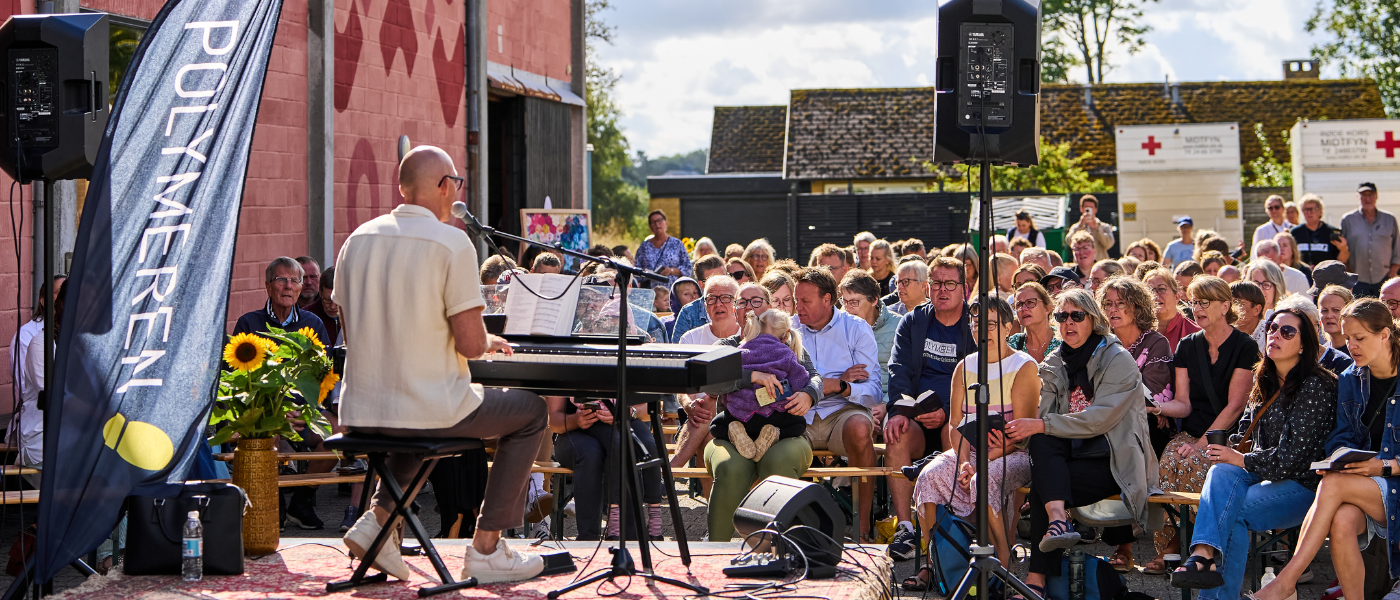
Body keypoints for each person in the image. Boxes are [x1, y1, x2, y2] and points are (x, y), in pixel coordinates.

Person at [335, 145, 545, 582]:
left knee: (421, 412)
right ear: (445, 186)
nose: (457, 191)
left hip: (361, 411)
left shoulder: (357, 238)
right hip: (424, 408)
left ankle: (378, 521)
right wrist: (490, 341)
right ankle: (486, 549)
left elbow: (355, 334)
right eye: (457, 183)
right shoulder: (451, 241)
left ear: (402, 188)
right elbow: (470, 345)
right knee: (531, 412)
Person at [1168, 308, 1338, 598]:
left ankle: (1203, 558)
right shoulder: (1266, 381)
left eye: (1287, 332)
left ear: (1303, 345)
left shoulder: (1317, 385)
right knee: (1221, 471)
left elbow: (1292, 460)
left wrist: (1241, 459)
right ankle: (1204, 556)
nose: (1275, 334)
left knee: (1230, 512)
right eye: (1272, 328)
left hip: (1305, 485)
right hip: (1260, 478)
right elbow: (1244, 436)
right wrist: (1224, 450)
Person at [1004, 288, 1157, 599]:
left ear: (1094, 320)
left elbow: (1099, 420)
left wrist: (1040, 425)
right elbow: (1047, 421)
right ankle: (1058, 522)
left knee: (1044, 485)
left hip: (1114, 461)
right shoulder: (1053, 362)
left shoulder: (1119, 359)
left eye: (1077, 316)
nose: (1068, 323)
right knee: (1042, 443)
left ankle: (1037, 579)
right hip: (1071, 458)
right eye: (1062, 317)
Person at [1251, 298, 1400, 600]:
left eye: (1360, 338)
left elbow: (1385, 465)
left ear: (1385, 334)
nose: (1352, 346)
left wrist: (1384, 466)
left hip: (1390, 479)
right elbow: (1342, 436)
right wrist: (1340, 458)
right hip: (1366, 483)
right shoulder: (1351, 378)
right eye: (1348, 339)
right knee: (1343, 520)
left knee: (1332, 486)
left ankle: (1286, 581)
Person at [903, 297, 1038, 589]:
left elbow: (1022, 435)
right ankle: (934, 561)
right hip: (971, 451)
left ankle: (1002, 563)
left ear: (1007, 326)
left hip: (1011, 452)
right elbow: (955, 422)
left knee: (984, 480)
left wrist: (982, 462)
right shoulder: (965, 367)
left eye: (989, 324)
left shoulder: (1023, 366)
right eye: (976, 324)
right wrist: (965, 461)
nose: (981, 330)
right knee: (929, 475)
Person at [1142, 276, 1260, 575]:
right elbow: (1184, 402)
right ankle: (1171, 545)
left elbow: (1235, 406)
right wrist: (1156, 407)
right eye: (1193, 301)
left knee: (1198, 462)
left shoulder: (1245, 346)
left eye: (1204, 302)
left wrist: (1201, 444)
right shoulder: (1187, 345)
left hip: (1228, 436)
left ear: (1225, 305)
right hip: (1192, 430)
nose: (1197, 308)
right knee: (1167, 461)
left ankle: (1203, 546)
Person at [702, 283, 820, 540]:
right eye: (741, 302)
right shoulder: (728, 345)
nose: (748, 307)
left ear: (768, 308)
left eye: (755, 301)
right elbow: (711, 384)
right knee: (732, 467)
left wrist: (809, 395)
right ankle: (716, 547)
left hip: (783, 432)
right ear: (735, 310)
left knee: (777, 462)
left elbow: (813, 377)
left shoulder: (789, 343)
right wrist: (751, 376)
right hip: (731, 432)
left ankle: (785, 547)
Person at [884, 256, 975, 558]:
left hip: (960, 418)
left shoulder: (973, 324)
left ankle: (958, 529)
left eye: (950, 283)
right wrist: (898, 411)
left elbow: (980, 377)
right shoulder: (914, 321)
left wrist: (949, 412)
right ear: (927, 287)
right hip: (918, 415)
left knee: (959, 433)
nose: (943, 290)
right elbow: (898, 369)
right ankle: (906, 529)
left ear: (965, 287)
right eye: (936, 283)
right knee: (894, 432)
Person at [790, 267, 881, 541]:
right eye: (797, 300)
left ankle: (863, 528)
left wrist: (841, 387)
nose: (798, 307)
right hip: (799, 414)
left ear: (828, 299)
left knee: (860, 429)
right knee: (774, 437)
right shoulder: (788, 329)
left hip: (842, 414)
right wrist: (831, 382)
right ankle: (787, 530)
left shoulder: (855, 329)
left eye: (806, 301)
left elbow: (873, 391)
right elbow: (785, 385)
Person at [1099, 276, 1177, 571]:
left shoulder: (1155, 342)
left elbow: (1153, 391)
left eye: (1122, 303)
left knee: (1124, 447)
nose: (1113, 309)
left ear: (1138, 307)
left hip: (1151, 426)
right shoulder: (1102, 342)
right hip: (1109, 424)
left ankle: (1126, 546)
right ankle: (1122, 545)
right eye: (1108, 304)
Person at [549, 395, 665, 540]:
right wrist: (576, 420)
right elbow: (553, 421)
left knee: (625, 446)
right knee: (591, 453)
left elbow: (654, 407)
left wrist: (629, 412)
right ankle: (588, 538)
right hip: (572, 434)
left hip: (620, 429)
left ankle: (629, 535)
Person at [709, 308, 810, 459]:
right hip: (773, 415)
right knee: (799, 424)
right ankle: (775, 434)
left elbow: (726, 376)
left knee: (716, 426)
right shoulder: (786, 353)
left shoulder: (741, 349)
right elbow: (800, 381)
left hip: (739, 415)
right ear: (785, 336)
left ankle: (737, 433)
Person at [840, 270, 900, 402]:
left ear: (874, 300)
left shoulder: (899, 326)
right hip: (848, 402)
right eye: (844, 302)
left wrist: (886, 404)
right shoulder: (837, 326)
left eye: (854, 302)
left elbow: (904, 376)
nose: (848, 308)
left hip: (887, 401)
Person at [1341, 182, 1400, 298]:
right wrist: (1349, 274)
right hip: (1358, 279)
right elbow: (1342, 248)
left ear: (1376, 196)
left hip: (1384, 278)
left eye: (1371, 194)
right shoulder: (1348, 220)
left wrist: (1392, 273)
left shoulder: (1389, 219)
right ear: (1358, 197)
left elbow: (1397, 248)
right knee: (1360, 313)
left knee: (1386, 313)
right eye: (1364, 195)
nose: (1367, 198)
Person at [1145, 267, 1202, 353]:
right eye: (1149, 290)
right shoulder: (1137, 332)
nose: (1155, 295)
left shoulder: (1195, 333)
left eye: (1161, 289)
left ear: (1177, 297)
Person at [678, 276, 741, 346]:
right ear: (706, 307)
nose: (718, 304)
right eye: (712, 299)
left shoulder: (749, 337)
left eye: (725, 297)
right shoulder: (690, 340)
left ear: (737, 303)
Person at [634, 209, 692, 284]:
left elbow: (688, 268)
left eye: (659, 221)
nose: (657, 225)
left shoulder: (677, 244)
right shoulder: (644, 246)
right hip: (651, 291)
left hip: (671, 290)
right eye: (653, 222)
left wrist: (671, 270)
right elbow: (636, 270)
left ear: (666, 223)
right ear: (650, 226)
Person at [1291, 193, 1348, 267]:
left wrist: (1344, 249)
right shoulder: (1295, 232)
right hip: (1302, 276)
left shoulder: (1331, 232)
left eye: (1311, 209)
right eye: (1305, 210)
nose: (1309, 213)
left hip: (1326, 275)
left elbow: (1342, 261)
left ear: (1320, 211)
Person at [1009, 282, 1061, 363]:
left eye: (1030, 302)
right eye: (1019, 304)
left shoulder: (1062, 340)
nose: (1023, 308)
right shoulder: (1012, 345)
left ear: (1047, 308)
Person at [1067, 195, 1116, 261]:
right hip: (1081, 265)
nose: (1088, 210)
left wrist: (1097, 228)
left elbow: (1109, 244)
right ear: (1081, 209)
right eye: (1086, 207)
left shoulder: (1105, 227)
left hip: (1100, 265)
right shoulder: (1075, 227)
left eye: (1091, 207)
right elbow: (1069, 241)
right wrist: (1080, 226)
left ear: (1095, 209)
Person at [1231, 281, 1269, 349]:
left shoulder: (1270, 336)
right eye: (1229, 303)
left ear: (1257, 310)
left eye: (1237, 303)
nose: (1231, 308)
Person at [1318, 284, 1354, 355]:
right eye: (1324, 310)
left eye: (1336, 310)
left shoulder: (1359, 351)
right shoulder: (1321, 353)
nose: (1329, 316)